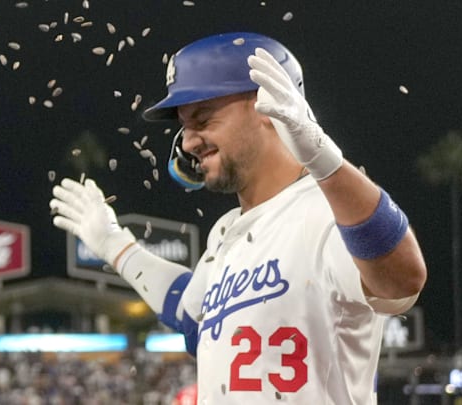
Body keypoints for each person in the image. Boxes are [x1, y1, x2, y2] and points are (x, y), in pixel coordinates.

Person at [50, 32, 427, 404]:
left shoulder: (326, 211)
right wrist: (115, 244)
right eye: (183, 125)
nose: (187, 142)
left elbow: (402, 278)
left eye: (202, 119)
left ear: (268, 104)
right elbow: (189, 314)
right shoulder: (226, 233)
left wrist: (326, 162)